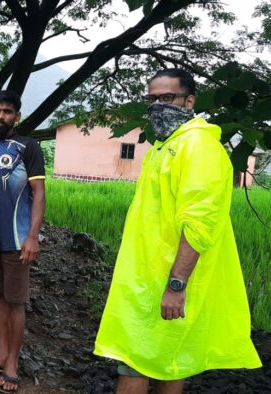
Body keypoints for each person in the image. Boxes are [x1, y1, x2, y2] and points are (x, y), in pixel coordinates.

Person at [93, 69, 261, 393]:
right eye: (152, 99)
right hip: (146, 281)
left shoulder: (198, 146)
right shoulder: (165, 146)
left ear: (189, 101)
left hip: (169, 281)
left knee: (136, 360)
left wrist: (176, 284)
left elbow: (199, 222)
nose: (158, 106)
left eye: (167, 98)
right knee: (170, 359)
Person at [0, 91, 46, 394]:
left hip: (17, 239)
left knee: (15, 301)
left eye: (7, 112)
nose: (1, 117)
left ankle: (12, 365)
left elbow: (38, 194)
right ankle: (1, 355)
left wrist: (32, 237)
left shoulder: (28, 147)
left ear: (17, 115)